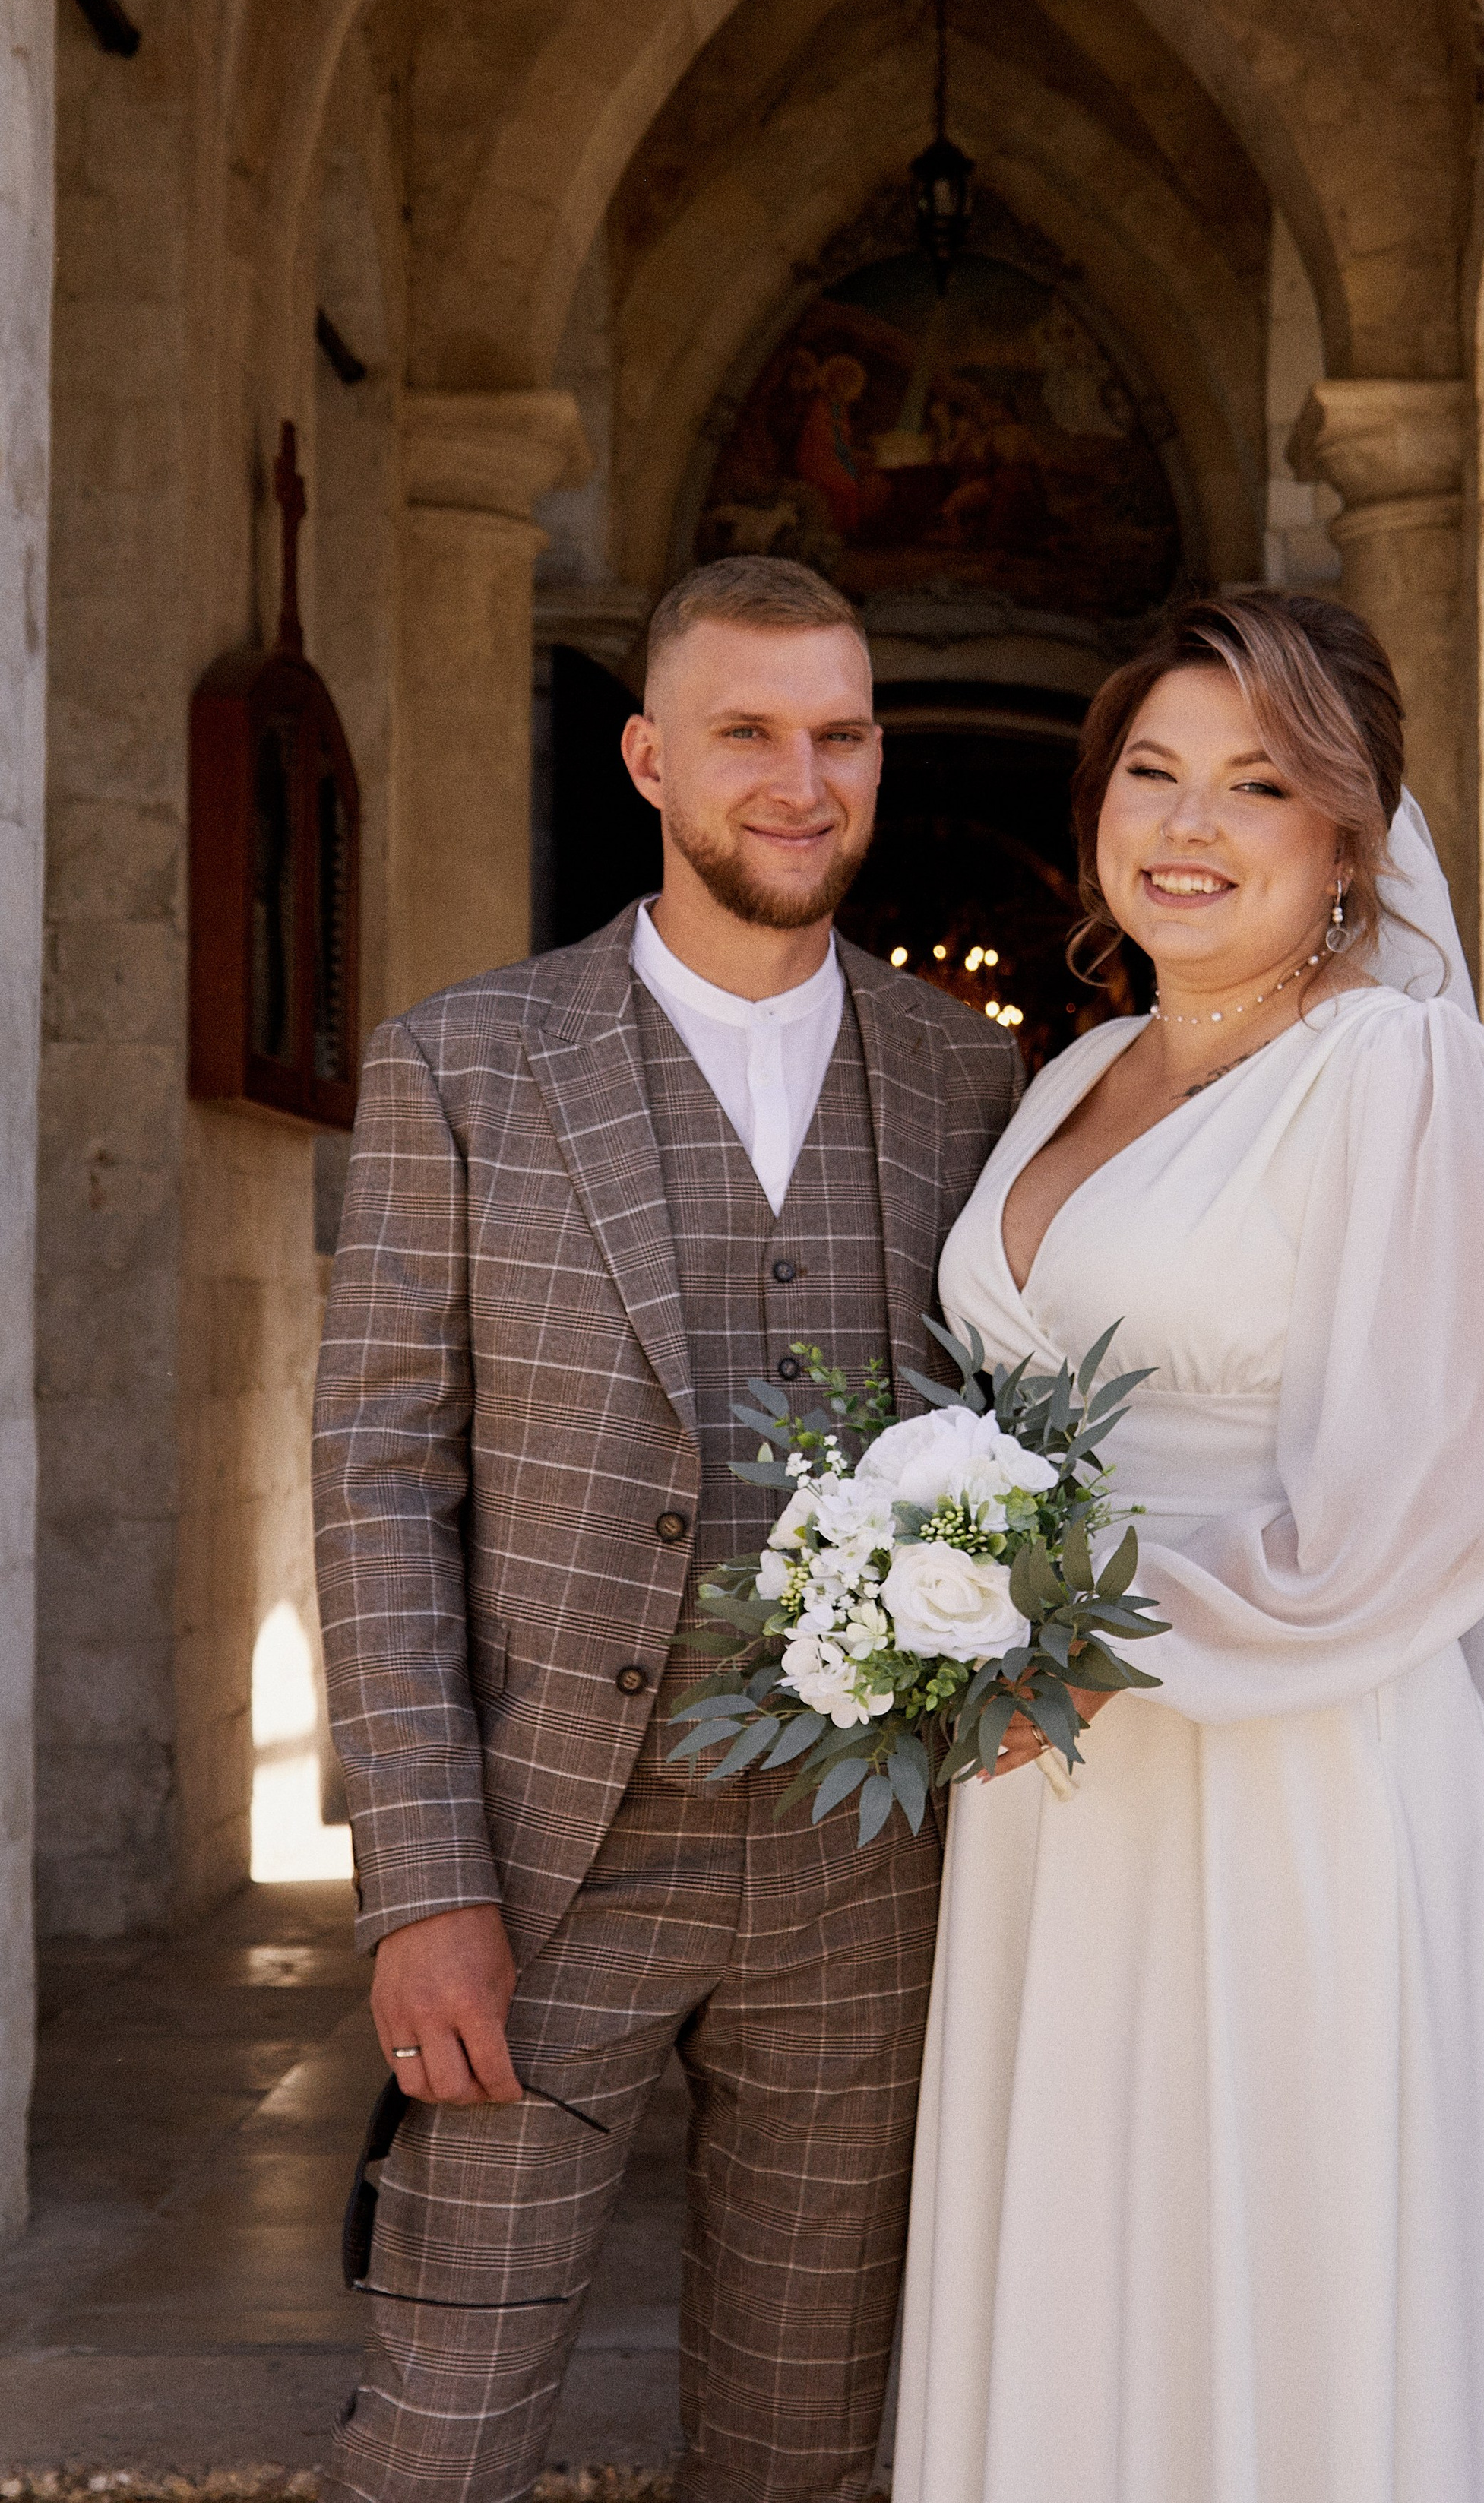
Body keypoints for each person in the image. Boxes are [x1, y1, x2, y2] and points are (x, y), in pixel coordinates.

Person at [894, 591, 1484, 2503]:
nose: (1186, 824)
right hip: (1053, 1797)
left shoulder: (1405, 1080)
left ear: (1347, 832)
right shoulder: (1073, 1080)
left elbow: (1440, 1496)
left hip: (1285, 1767)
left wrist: (1076, 1649)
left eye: (1254, 783)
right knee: (1080, 2242)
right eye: (1149, 773)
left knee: (1287, 2254)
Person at [314, 556, 1019, 2503]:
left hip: (865, 1873)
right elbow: (379, 1483)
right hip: (543, 1866)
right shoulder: (464, 1063)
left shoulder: (973, 1076)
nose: (801, 780)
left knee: (804, 2443)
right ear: (646, 757)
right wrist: (419, 1885)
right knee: (442, 2430)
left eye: (841, 734)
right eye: (748, 734)